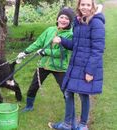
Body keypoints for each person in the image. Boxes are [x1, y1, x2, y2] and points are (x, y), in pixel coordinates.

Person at [48, 0, 105, 130]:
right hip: (75, 65)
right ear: (79, 6)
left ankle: (83, 125)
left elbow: (98, 50)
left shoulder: (96, 23)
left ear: (92, 6)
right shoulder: (78, 22)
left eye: (88, 4)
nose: (85, 7)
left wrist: (90, 71)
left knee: (84, 94)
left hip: (87, 66)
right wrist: (61, 40)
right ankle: (67, 124)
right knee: (68, 92)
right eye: (82, 4)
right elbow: (75, 45)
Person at [17, 7, 75, 113]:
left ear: (70, 21)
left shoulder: (70, 35)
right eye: (61, 17)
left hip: (59, 67)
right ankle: (29, 106)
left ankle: (70, 113)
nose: (63, 20)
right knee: (33, 87)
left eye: (67, 18)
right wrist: (25, 52)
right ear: (57, 19)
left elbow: (61, 53)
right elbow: (38, 43)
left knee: (66, 90)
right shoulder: (50, 30)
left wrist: (45, 52)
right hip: (44, 65)